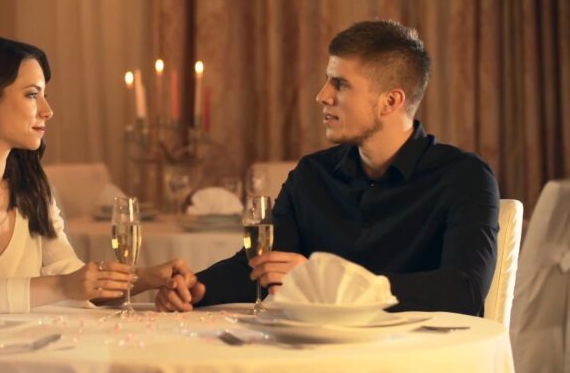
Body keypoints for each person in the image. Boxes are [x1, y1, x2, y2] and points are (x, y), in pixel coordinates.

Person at [156, 19, 499, 316]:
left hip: (415, 369)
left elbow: (463, 290)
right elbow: (262, 263)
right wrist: (199, 288)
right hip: (319, 361)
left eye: (341, 84)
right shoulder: (312, 174)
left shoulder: (463, 177)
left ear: (391, 101)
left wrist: (328, 282)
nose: (322, 96)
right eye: (327, 80)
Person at [0, 37, 191, 313]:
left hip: (35, 349)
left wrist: (146, 278)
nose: (48, 111)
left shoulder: (33, 187)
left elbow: (72, 279)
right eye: (32, 95)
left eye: (45, 95)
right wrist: (63, 286)